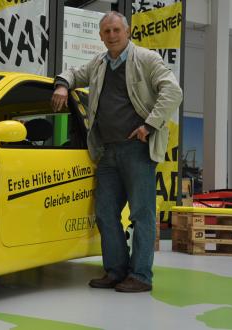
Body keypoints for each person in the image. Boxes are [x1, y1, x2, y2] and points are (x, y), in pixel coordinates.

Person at [51, 11, 182, 292]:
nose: (111, 35)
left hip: (137, 149)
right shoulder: (99, 63)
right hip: (107, 151)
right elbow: (74, 74)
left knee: (141, 214)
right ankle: (116, 270)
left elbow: (172, 91)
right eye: (106, 31)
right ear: (100, 36)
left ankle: (141, 276)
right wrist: (62, 85)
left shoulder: (147, 59)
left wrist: (149, 125)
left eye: (116, 30)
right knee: (106, 213)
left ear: (128, 32)